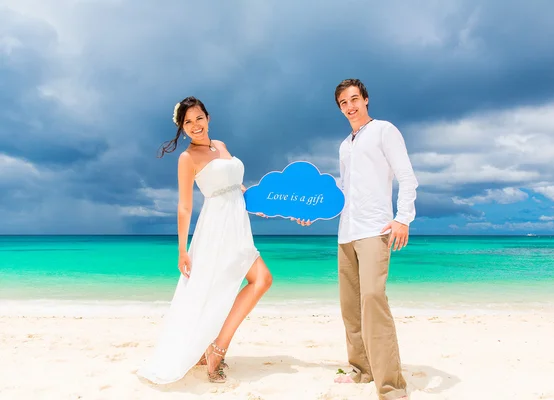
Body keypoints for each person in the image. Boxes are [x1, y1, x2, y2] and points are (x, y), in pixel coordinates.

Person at [137, 96, 272, 384]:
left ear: (208, 118)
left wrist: (265, 206)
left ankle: (213, 347)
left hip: (239, 222)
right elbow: (184, 206)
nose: (195, 125)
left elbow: (237, 185)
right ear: (182, 128)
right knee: (253, 281)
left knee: (257, 281)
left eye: (198, 118)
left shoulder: (221, 146)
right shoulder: (188, 158)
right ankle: (217, 350)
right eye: (188, 122)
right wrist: (182, 250)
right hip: (217, 226)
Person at [298, 79, 418, 399]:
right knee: (350, 306)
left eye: (354, 99)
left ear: (366, 99)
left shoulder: (384, 130)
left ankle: (391, 384)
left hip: (375, 230)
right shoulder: (344, 145)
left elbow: (406, 176)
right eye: (343, 103)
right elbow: (344, 190)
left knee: (373, 300)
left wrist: (403, 218)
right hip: (346, 232)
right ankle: (361, 369)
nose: (350, 106)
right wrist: (315, 211)